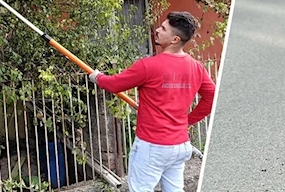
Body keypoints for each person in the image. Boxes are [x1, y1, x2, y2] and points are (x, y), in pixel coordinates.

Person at [89, 12, 216, 192]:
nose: (157, 30)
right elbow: (211, 97)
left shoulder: (148, 66)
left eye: (163, 29)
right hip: (179, 146)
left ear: (175, 39)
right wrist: (187, 121)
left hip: (152, 147)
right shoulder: (196, 67)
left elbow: (114, 84)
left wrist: (97, 77)